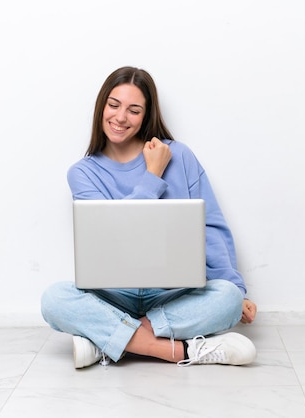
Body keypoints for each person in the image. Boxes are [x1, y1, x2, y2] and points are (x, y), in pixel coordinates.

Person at [41, 66, 258, 369]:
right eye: (113, 105)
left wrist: (236, 288)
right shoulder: (83, 173)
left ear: (146, 115)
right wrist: (152, 173)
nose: (120, 118)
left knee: (227, 299)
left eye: (134, 110)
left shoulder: (179, 156)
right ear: (101, 106)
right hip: (113, 295)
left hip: (172, 294)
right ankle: (182, 352)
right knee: (54, 299)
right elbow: (117, 234)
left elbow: (210, 226)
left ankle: (108, 343)